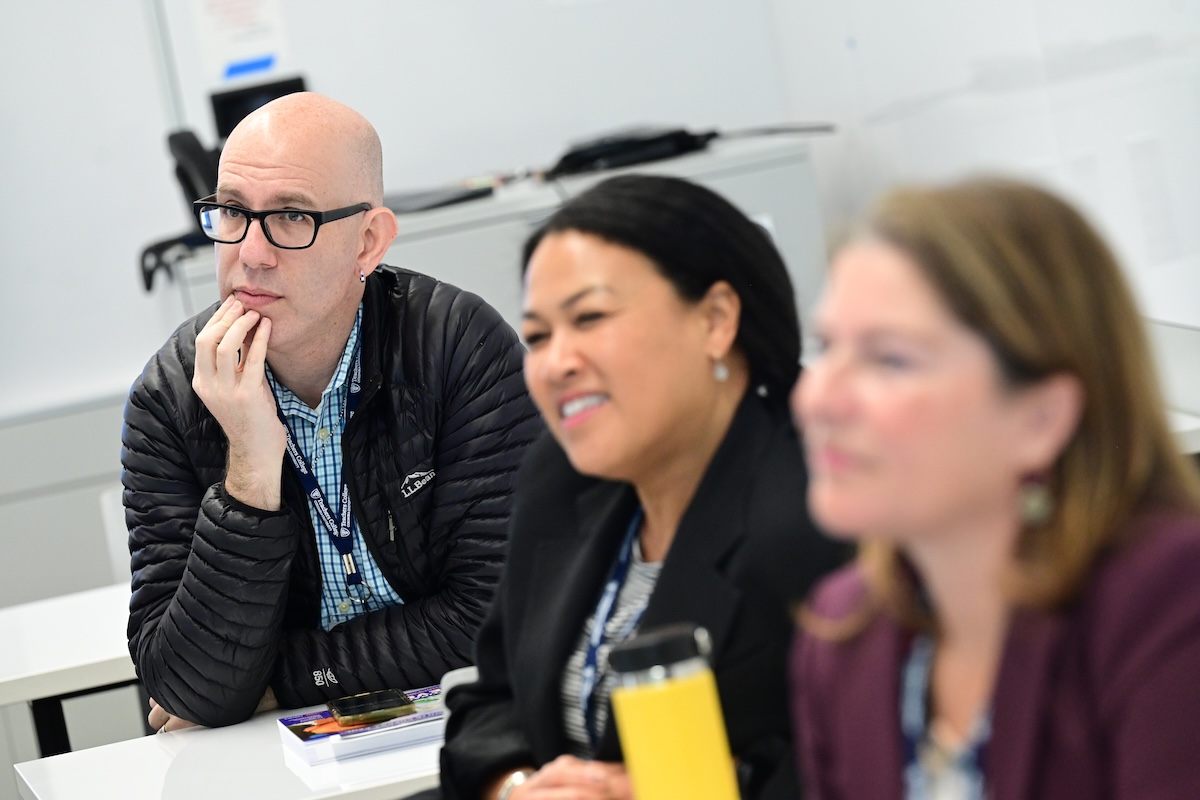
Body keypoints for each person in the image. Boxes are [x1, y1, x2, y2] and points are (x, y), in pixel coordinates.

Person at [121, 92, 541, 731]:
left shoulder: (457, 349)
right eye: (232, 211)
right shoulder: (171, 397)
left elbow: (502, 616)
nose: (251, 253)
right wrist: (251, 474)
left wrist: (280, 678)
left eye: (291, 217)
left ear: (369, 242)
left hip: (473, 728)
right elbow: (185, 690)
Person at [436, 174, 850, 800]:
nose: (556, 362)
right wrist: (517, 787)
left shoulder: (818, 515)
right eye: (540, 335)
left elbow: (863, 761)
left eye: (591, 318)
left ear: (716, 320)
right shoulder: (561, 478)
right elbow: (492, 699)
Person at [790, 176, 1200, 799]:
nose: (817, 397)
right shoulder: (842, 634)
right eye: (826, 348)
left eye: (890, 360)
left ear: (1041, 418)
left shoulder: (1168, 603)